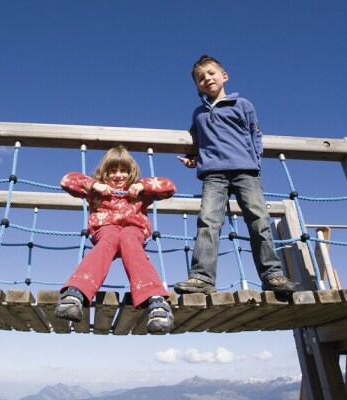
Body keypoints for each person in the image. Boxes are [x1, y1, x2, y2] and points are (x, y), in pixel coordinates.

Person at [174, 55, 296, 295]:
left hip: (245, 172)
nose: (207, 79)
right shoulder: (198, 113)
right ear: (196, 85)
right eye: (201, 78)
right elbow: (196, 142)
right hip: (213, 175)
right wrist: (194, 157)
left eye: (211, 73)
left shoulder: (243, 105)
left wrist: (255, 162)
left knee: (259, 221)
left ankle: (273, 275)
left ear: (224, 76)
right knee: (208, 222)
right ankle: (202, 277)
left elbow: (255, 135)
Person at [55, 146, 176, 334]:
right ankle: (76, 293)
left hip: (133, 231)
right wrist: (94, 185)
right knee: (108, 239)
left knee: (129, 238)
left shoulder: (137, 191)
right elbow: (66, 180)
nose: (118, 175)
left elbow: (169, 186)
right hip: (105, 231)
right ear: (105, 173)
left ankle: (156, 302)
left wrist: (143, 185)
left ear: (131, 172)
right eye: (112, 171)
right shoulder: (97, 190)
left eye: (123, 171)